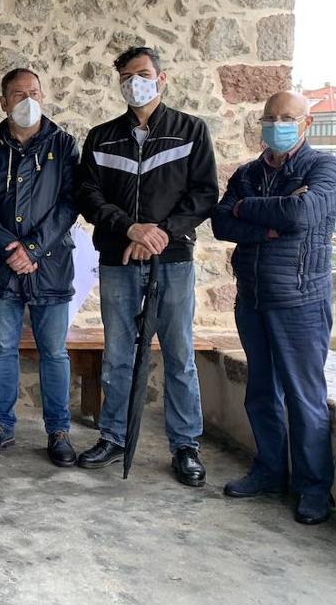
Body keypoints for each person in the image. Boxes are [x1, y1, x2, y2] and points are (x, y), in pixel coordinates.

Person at [75, 46, 218, 486]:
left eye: (142, 73)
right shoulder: (101, 137)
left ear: (161, 77)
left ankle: (185, 445)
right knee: (118, 354)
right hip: (118, 259)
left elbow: (203, 194)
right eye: (126, 76)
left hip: (172, 260)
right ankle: (113, 436)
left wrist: (161, 234)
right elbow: (88, 196)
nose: (134, 82)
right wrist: (131, 229)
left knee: (178, 354)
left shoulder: (191, 131)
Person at [211, 91, 336, 524]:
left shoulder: (323, 167)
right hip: (252, 298)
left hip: (300, 300)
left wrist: (247, 210)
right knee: (262, 391)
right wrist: (264, 222)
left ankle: (313, 488)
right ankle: (269, 470)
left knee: (305, 396)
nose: (277, 125)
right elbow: (221, 222)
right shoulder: (248, 174)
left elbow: (302, 215)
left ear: (307, 123)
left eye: (287, 118)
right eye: (271, 117)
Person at [0, 69, 80, 465]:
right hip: (2, 265)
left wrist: (32, 249)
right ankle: (2, 426)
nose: (27, 100)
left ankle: (59, 432)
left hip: (50, 265)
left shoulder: (64, 145)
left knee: (54, 352)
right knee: (2, 349)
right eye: (18, 94)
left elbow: (69, 203)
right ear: (3, 102)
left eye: (34, 92)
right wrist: (10, 247)